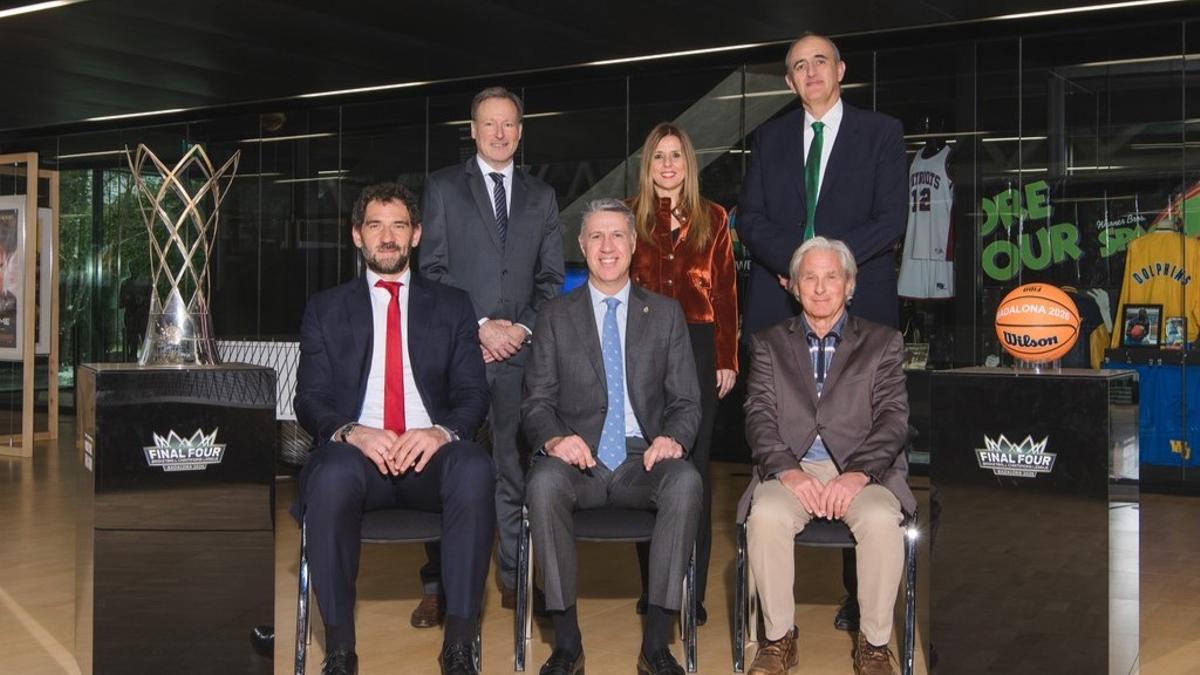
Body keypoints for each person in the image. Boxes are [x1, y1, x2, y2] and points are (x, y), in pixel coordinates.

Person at [735, 31, 908, 630]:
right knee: (780, 420)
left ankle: (860, 598)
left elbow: (890, 219)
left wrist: (828, 267)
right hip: (779, 295)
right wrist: (796, 267)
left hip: (858, 293)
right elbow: (750, 217)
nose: (809, 73)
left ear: (841, 71)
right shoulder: (769, 137)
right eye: (798, 66)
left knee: (856, 424)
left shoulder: (881, 133)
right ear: (788, 81)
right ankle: (777, 621)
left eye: (819, 63)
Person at [293, 183, 495, 675]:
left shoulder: (452, 305)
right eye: (376, 226)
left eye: (399, 225)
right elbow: (310, 399)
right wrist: (352, 431)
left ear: (417, 235)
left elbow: (473, 395)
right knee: (332, 473)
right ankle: (340, 651)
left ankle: (460, 647)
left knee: (473, 467)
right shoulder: (326, 307)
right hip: (358, 459)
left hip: (430, 460)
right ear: (357, 236)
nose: (388, 237)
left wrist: (440, 433)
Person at [522, 199, 702, 675]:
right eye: (596, 236)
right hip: (577, 461)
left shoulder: (664, 315)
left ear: (633, 245)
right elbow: (536, 403)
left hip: (643, 461)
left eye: (617, 235)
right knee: (542, 483)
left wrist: (673, 440)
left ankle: (657, 645)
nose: (607, 246)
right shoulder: (555, 315)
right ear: (581, 246)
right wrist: (556, 440)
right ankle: (566, 643)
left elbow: (686, 402)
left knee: (685, 481)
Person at [738, 237, 915, 675]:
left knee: (878, 521)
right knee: (765, 517)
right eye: (809, 278)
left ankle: (874, 646)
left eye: (831, 277)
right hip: (791, 468)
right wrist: (787, 471)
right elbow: (758, 415)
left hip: (864, 472)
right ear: (794, 287)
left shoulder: (883, 343)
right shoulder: (767, 343)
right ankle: (778, 639)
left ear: (849, 285)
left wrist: (856, 473)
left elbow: (894, 419)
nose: (820, 288)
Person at [421, 86, 565, 618]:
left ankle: (512, 578)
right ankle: (438, 588)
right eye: (490, 124)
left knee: (514, 469)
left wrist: (520, 332)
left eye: (509, 124)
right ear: (474, 130)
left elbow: (551, 280)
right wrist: (480, 327)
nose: (500, 133)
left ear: (520, 132)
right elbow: (431, 272)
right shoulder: (441, 189)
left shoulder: (542, 195)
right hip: (461, 353)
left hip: (522, 360)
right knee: (442, 465)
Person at [628, 122, 738, 626]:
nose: (668, 165)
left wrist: (726, 357)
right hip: (641, 346)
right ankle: (655, 588)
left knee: (692, 468)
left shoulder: (713, 218)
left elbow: (725, 293)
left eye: (676, 156)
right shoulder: (628, 217)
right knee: (647, 463)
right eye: (658, 157)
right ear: (647, 166)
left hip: (697, 346)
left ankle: (689, 589)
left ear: (688, 164)